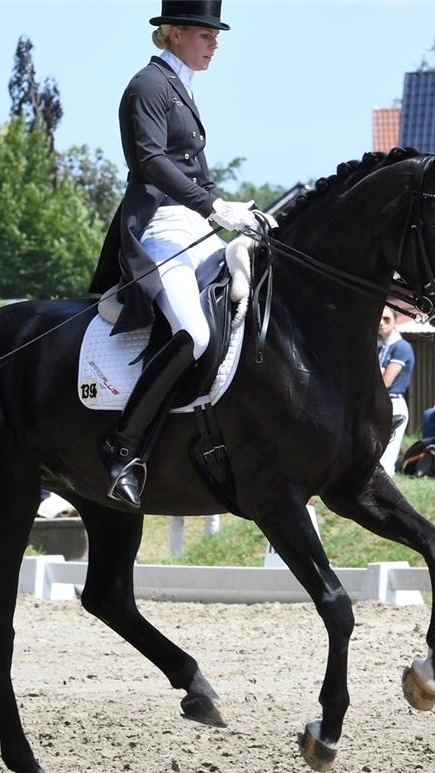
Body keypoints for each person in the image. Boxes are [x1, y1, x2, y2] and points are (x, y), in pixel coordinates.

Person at [88, 1, 266, 509]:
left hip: (193, 224)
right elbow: (149, 160)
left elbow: (197, 173)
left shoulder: (181, 90)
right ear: (174, 33)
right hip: (159, 228)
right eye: (206, 33)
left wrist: (239, 211)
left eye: (215, 34)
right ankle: (122, 449)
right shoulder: (147, 86)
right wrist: (213, 205)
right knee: (194, 331)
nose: (215, 42)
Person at [377, 307, 415, 476]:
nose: (381, 322)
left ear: (395, 321)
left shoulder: (401, 347)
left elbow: (386, 382)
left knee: (386, 461)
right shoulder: (380, 347)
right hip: (378, 403)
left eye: (386, 319)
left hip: (393, 403)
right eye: (379, 318)